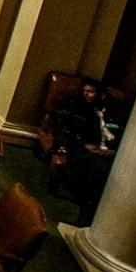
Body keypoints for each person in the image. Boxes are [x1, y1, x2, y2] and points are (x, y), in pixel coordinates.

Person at [45, 79, 122, 209]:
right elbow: (63, 127)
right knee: (96, 170)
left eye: (91, 92)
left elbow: (117, 132)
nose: (87, 94)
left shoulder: (109, 111)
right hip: (81, 148)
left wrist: (114, 150)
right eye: (84, 91)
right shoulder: (75, 106)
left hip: (108, 151)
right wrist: (84, 144)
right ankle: (89, 205)